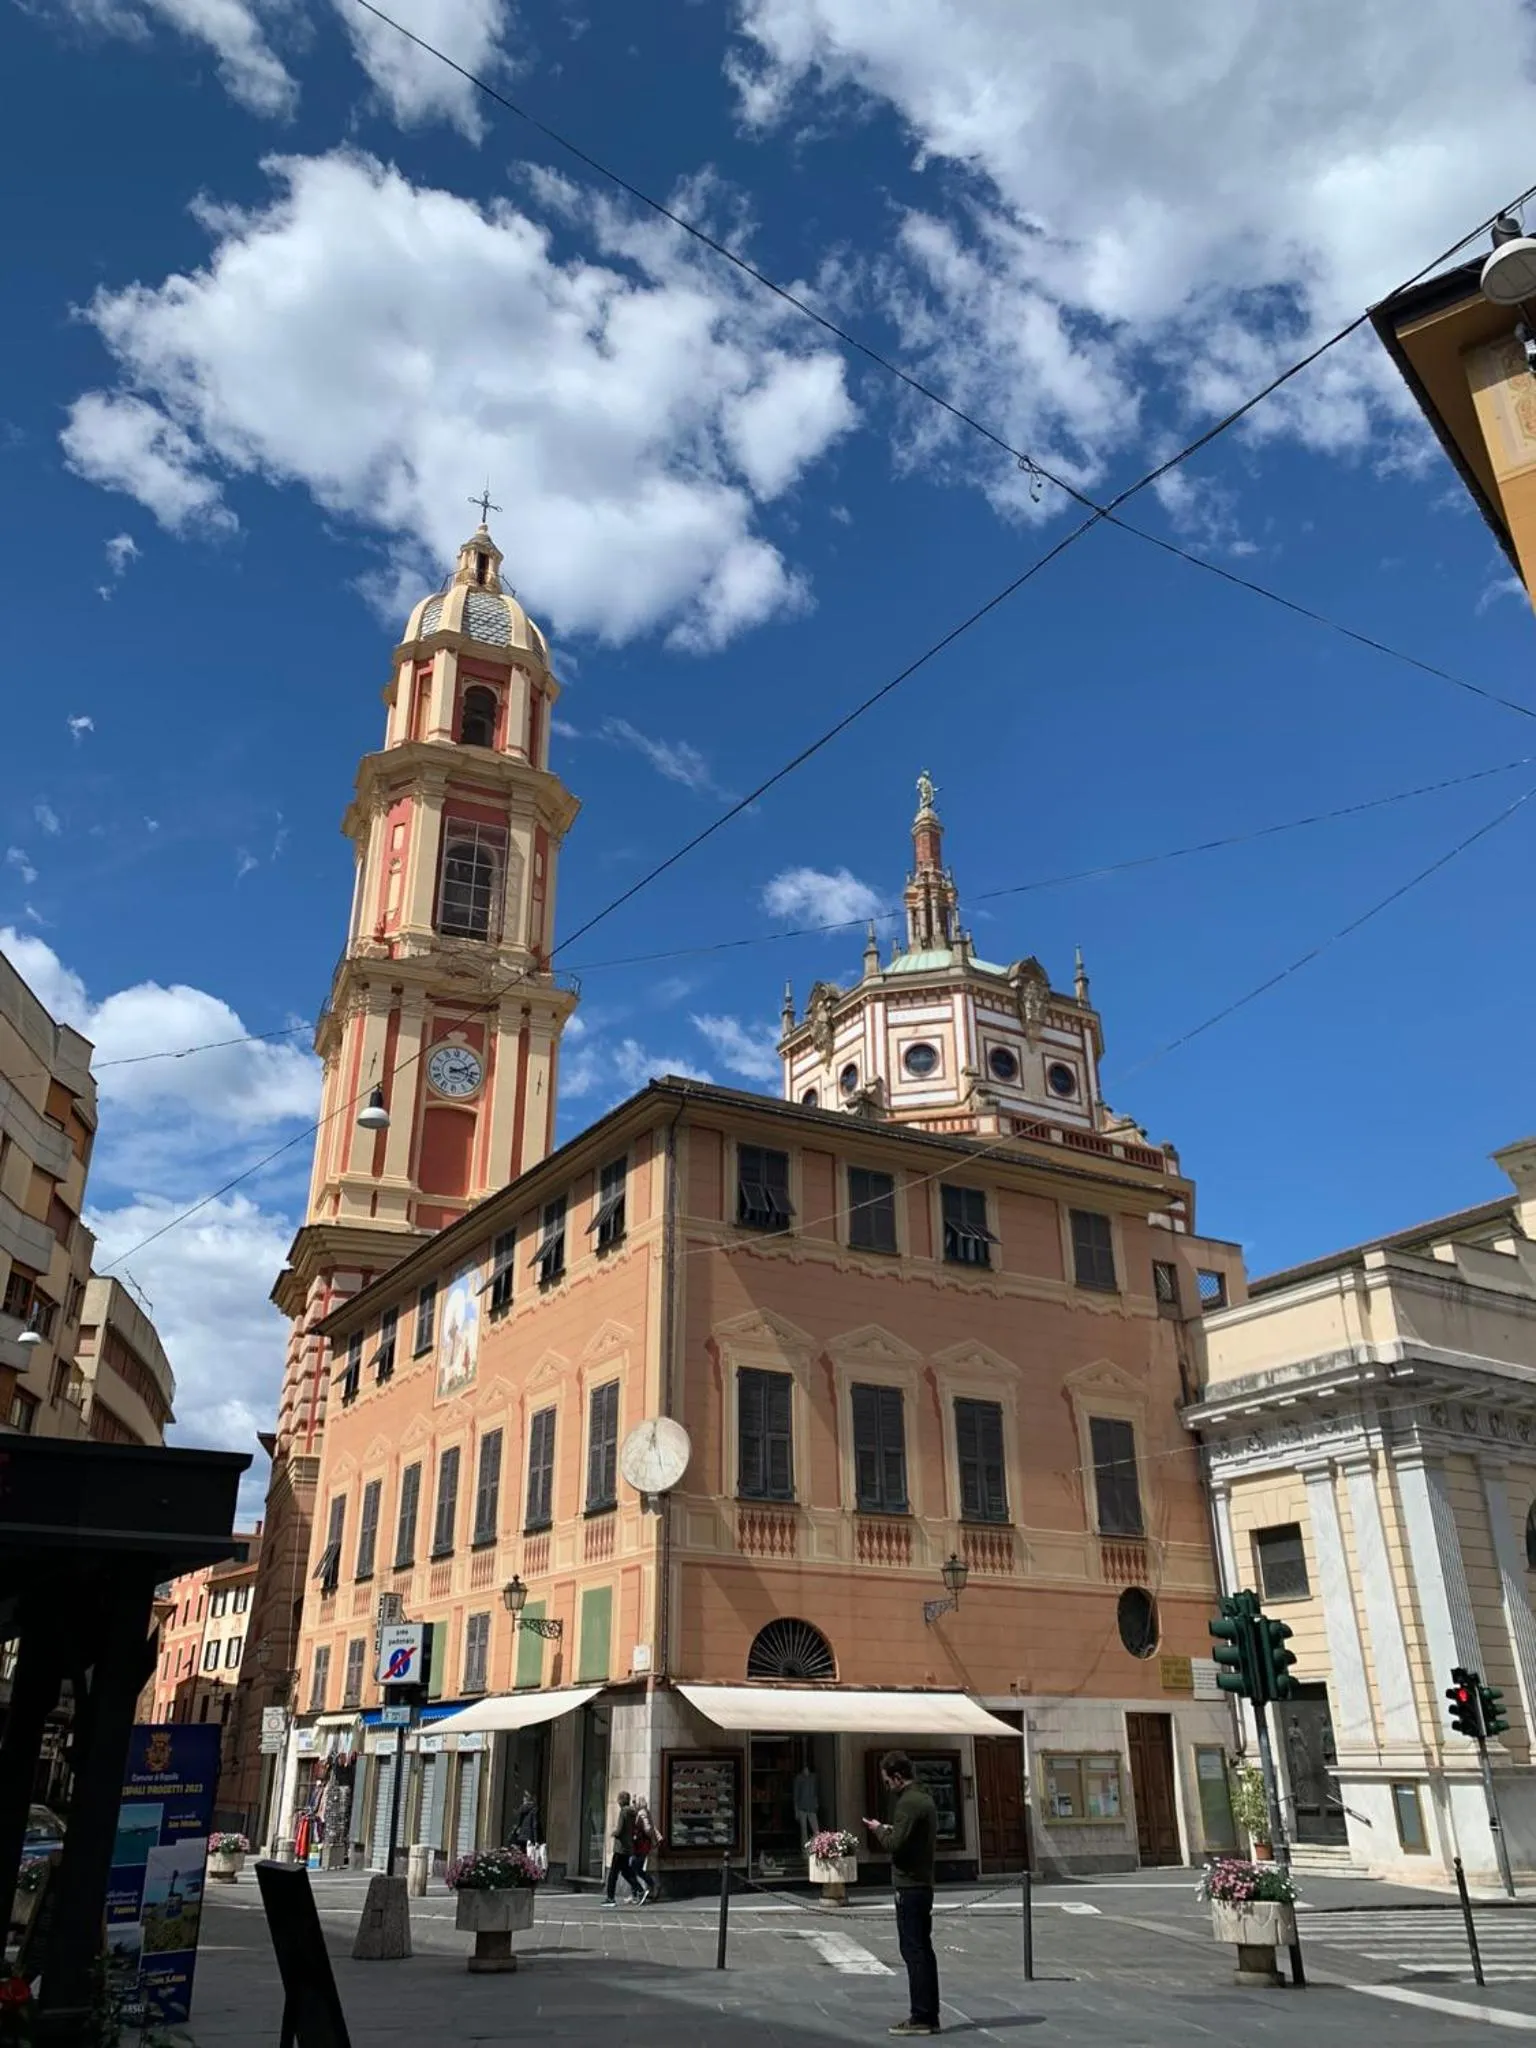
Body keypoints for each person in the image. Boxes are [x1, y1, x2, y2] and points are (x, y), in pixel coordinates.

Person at [864, 1751, 940, 2036]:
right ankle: (928, 2014)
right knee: (923, 1949)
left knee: (913, 1950)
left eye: (886, 1781)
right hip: (923, 1882)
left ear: (897, 1778)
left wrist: (879, 1830)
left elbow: (896, 1844)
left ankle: (921, 2016)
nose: (886, 1787)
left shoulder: (908, 1803)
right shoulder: (925, 1798)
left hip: (909, 1885)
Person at [604, 1791, 642, 1906]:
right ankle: (639, 1889)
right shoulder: (632, 1812)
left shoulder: (623, 1812)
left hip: (620, 1848)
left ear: (621, 1800)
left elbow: (620, 1830)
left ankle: (610, 1898)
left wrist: (613, 1833)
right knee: (626, 1871)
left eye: (618, 1799)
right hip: (628, 1847)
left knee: (613, 1874)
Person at [628, 1797, 660, 1903]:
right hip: (642, 1847)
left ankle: (650, 1886)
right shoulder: (645, 1812)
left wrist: (638, 1835)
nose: (633, 1805)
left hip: (641, 1846)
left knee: (635, 1868)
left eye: (635, 1803)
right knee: (635, 1868)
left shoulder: (642, 1814)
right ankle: (637, 1893)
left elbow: (648, 1829)